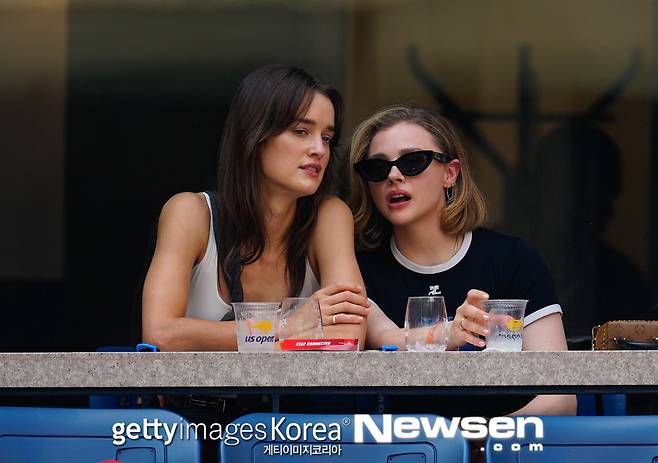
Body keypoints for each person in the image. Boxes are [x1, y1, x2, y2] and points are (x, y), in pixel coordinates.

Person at [349, 104, 576, 416]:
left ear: (450, 173)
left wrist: (474, 437)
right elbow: (376, 339)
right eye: (377, 167)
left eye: (413, 161)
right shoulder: (360, 268)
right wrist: (449, 333)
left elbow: (560, 399)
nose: (393, 175)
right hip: (403, 443)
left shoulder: (513, 259)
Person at [141, 65, 369, 352]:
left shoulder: (330, 216)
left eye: (326, 138)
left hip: (298, 386)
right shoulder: (191, 213)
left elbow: (348, 337)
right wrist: (286, 326)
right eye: (301, 131)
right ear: (255, 135)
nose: (319, 150)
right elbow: (160, 333)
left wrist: (247, 338)